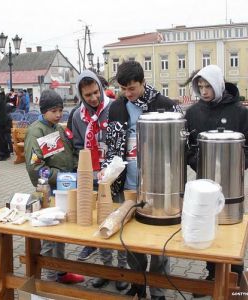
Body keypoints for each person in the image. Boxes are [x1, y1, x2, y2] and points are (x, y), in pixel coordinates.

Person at [100, 61, 181, 299]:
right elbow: (112, 146)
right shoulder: (117, 107)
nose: (128, 93)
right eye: (124, 89)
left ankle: (158, 291)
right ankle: (138, 284)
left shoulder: (164, 105)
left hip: (159, 184)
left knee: (160, 241)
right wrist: (107, 171)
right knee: (132, 240)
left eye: (132, 88)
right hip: (129, 183)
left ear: (143, 82)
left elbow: (179, 145)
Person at [184, 64, 248, 297]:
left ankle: (236, 281)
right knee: (207, 226)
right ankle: (212, 277)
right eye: (200, 86)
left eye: (208, 86)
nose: (204, 91)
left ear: (219, 84)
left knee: (231, 231)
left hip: (232, 184)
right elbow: (187, 145)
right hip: (204, 184)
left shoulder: (240, 112)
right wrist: (197, 162)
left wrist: (238, 164)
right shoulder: (193, 113)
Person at [71, 70, 128, 291]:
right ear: (81, 95)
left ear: (101, 89)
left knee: (119, 223)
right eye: (88, 95)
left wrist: (111, 167)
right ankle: (107, 270)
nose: (94, 98)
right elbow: (78, 145)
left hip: (117, 177)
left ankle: (123, 272)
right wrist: (90, 169)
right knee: (101, 224)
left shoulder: (115, 107)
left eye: (96, 92)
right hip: (94, 178)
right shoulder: (77, 116)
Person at [24, 89, 84, 284]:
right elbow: (35, 167)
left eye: (60, 110)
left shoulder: (58, 128)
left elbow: (72, 149)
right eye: (53, 111)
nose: (58, 114)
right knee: (50, 236)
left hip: (65, 188)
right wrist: (63, 177)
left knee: (61, 233)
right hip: (48, 191)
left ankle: (61, 273)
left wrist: (76, 168)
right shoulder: (36, 131)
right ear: (43, 111)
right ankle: (49, 282)